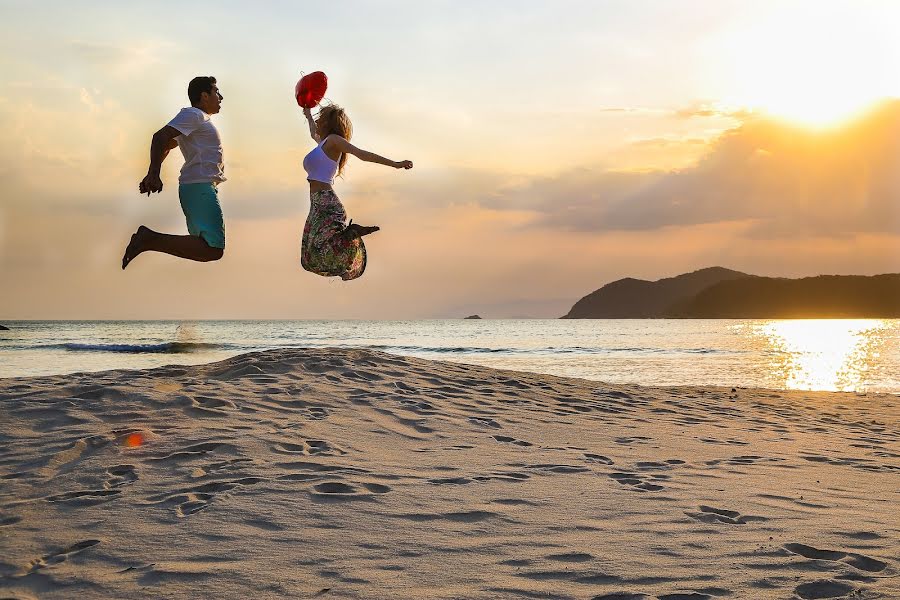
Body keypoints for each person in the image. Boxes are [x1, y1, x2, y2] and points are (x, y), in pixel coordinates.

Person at [121, 76, 227, 269]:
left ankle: (148, 240)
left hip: (197, 188)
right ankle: (148, 239)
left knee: (207, 249)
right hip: (199, 187)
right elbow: (160, 137)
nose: (220, 97)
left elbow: (168, 145)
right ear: (204, 96)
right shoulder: (194, 115)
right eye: (216, 92)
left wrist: (151, 173)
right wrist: (154, 173)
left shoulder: (198, 120)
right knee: (212, 249)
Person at [300, 104, 412, 280]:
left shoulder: (334, 141)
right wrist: (307, 115)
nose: (317, 119)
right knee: (310, 253)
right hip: (317, 203)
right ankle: (348, 235)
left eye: (320, 116)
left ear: (328, 121)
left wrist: (395, 164)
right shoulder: (323, 142)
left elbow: (361, 154)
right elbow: (313, 132)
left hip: (327, 203)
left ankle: (351, 235)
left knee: (317, 250)